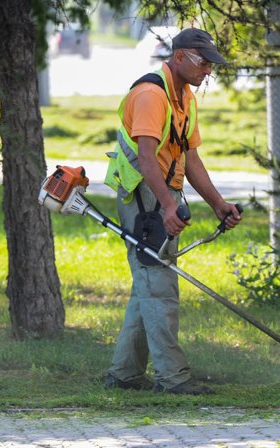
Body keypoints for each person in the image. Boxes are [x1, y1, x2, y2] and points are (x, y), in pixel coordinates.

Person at [103, 28, 241, 395]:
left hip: (164, 194)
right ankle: (173, 379)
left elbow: (189, 156)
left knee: (148, 287)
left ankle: (125, 374)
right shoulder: (151, 95)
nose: (208, 71)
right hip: (143, 199)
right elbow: (146, 157)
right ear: (179, 56)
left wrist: (218, 204)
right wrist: (167, 206)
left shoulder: (184, 97)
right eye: (203, 62)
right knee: (160, 288)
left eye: (212, 64)